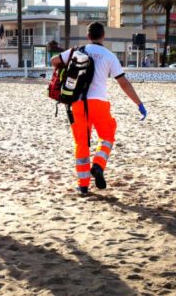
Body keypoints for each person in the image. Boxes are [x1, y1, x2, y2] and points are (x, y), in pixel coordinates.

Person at [51, 22, 147, 195]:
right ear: (103, 36)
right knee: (107, 137)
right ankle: (98, 165)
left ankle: (83, 185)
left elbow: (54, 61)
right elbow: (123, 83)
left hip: (78, 103)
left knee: (81, 143)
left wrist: (67, 68)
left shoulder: (76, 51)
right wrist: (139, 103)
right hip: (99, 103)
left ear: (88, 36)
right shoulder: (109, 56)